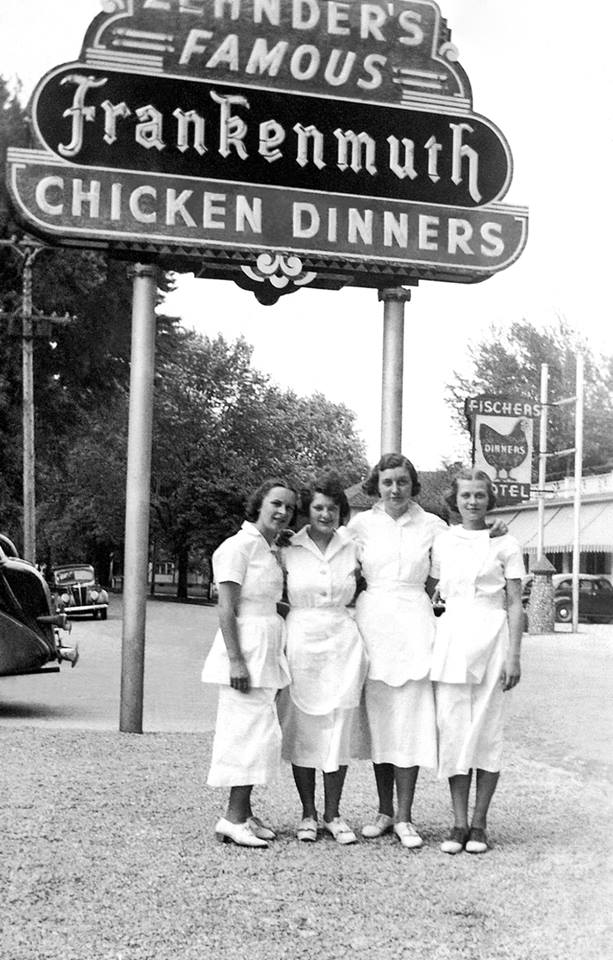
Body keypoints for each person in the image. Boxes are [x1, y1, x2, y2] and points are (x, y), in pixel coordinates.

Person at [347, 453, 446, 849]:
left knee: (411, 721)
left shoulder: (433, 525)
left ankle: (406, 816)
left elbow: (449, 565)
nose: (394, 489)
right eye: (387, 482)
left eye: (402, 482)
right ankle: (384, 811)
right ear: (377, 485)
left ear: (413, 485)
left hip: (415, 621)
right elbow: (335, 562)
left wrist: (491, 532)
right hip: (374, 623)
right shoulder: (360, 525)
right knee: (382, 721)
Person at [430, 468, 524, 855]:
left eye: (480, 495)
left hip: (492, 637)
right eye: (465, 495)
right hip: (452, 637)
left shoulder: (507, 543)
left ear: (490, 499)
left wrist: (514, 656)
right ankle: (457, 823)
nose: (472, 502)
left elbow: (516, 602)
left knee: (487, 732)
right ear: (455, 499)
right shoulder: (442, 541)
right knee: (453, 728)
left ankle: (480, 824)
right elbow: (430, 591)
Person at [201, 478, 297, 848]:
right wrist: (236, 661)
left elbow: (271, 601)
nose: (282, 511)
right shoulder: (237, 547)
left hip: (267, 644)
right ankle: (233, 817)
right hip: (246, 649)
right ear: (258, 504)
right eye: (276, 503)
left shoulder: (268, 547)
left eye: (288, 506)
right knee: (245, 732)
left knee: (260, 732)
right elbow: (226, 608)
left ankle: (245, 811)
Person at [278, 473, 368, 845]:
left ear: (341, 511)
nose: (325, 514)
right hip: (301, 639)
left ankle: (333, 813)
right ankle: (308, 814)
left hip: (343, 640)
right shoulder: (288, 547)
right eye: (318, 507)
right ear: (307, 510)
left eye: (332, 508)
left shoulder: (354, 546)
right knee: (304, 726)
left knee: (337, 727)